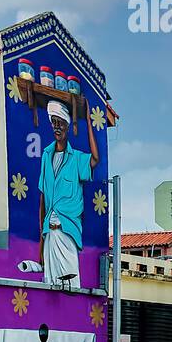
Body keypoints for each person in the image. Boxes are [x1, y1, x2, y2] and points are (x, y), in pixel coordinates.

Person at [36, 101, 100, 287]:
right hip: (50, 232)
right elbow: (43, 200)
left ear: (67, 126)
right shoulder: (47, 156)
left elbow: (95, 159)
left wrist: (88, 122)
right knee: (50, 284)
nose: (57, 127)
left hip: (67, 231)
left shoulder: (76, 158)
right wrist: (41, 243)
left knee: (71, 285)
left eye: (60, 123)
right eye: (54, 122)